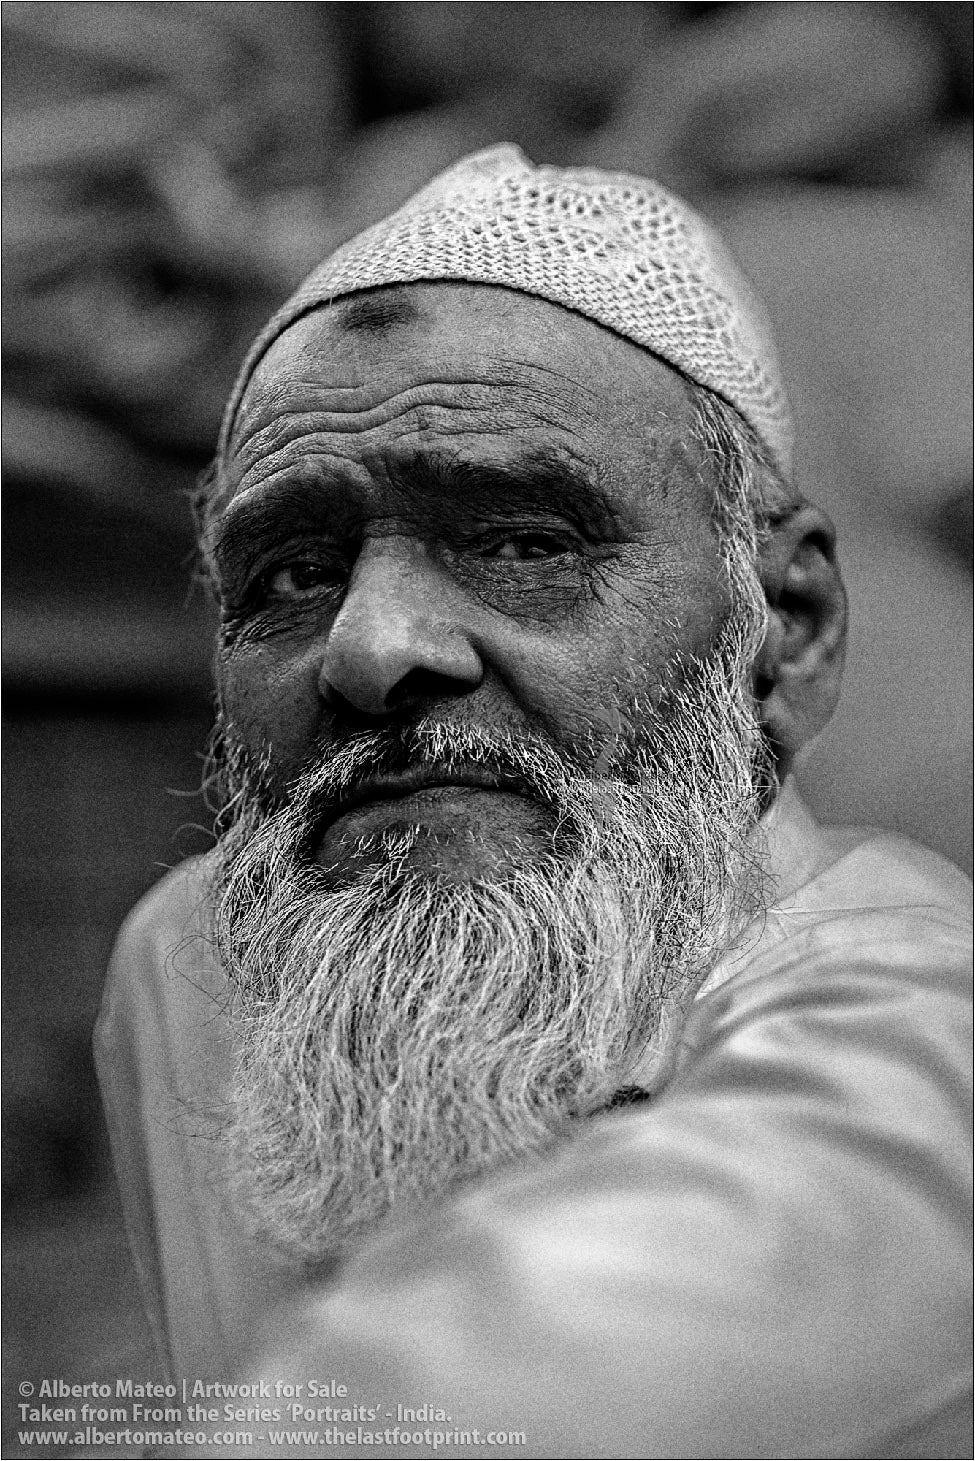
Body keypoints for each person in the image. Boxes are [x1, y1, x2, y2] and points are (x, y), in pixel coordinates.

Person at [96, 147, 971, 1458]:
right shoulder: (186, 966)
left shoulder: (916, 1014)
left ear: (783, 630)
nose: (372, 648)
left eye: (522, 543)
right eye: (291, 574)